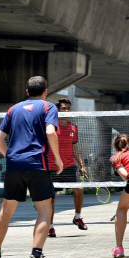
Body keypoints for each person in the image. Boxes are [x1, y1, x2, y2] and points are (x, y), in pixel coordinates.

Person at [0, 76, 63, 258]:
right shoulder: (49, 107)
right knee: (45, 210)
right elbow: (51, 132)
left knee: (6, 211)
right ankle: (36, 256)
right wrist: (57, 157)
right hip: (38, 164)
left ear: (27, 92)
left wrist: (11, 157)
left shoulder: (13, 109)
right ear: (45, 92)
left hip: (14, 165)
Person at [46, 98, 87, 237]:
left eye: (68, 108)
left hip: (69, 166)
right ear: (58, 110)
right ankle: (50, 226)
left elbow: (74, 148)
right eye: (63, 108)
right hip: (53, 167)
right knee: (52, 197)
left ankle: (77, 217)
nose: (66, 111)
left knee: (79, 190)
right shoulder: (51, 127)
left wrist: (82, 165)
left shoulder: (73, 128)